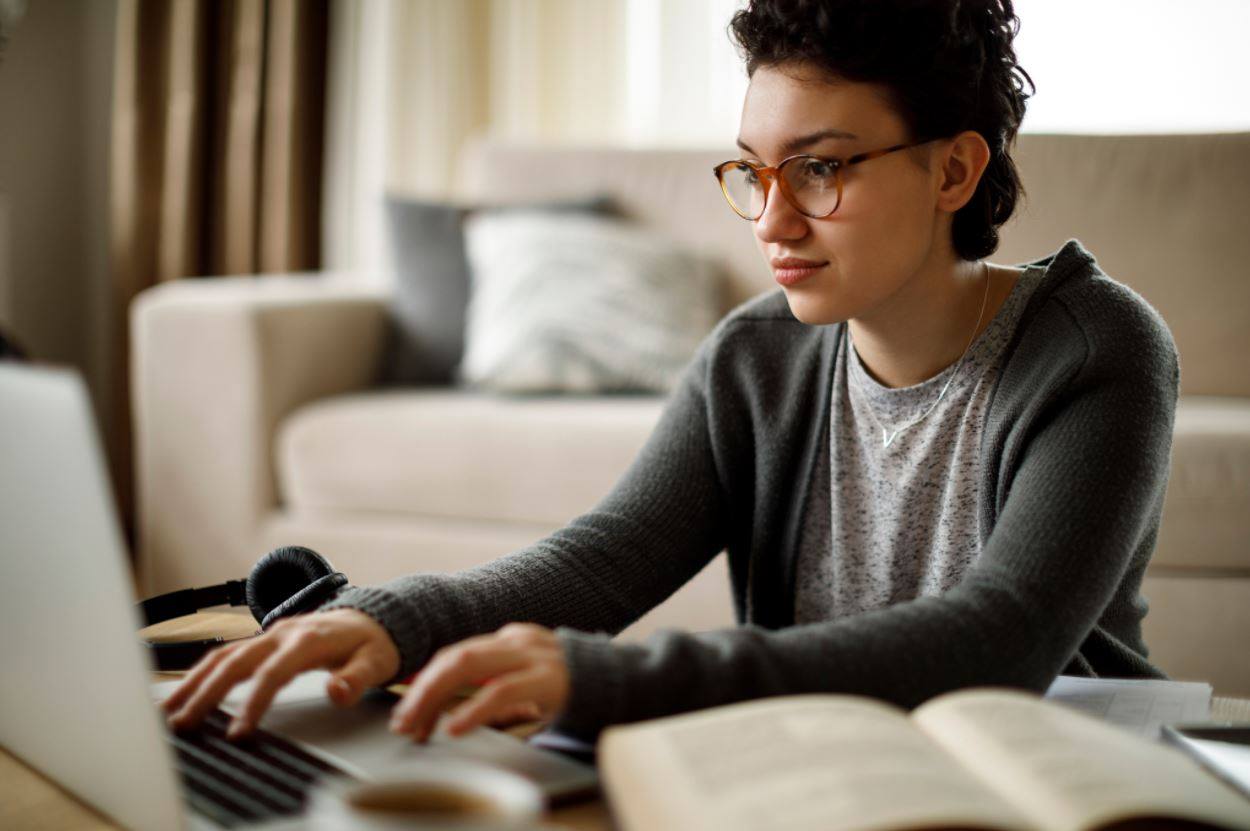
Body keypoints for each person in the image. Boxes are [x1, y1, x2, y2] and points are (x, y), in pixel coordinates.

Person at [163, 0, 1180, 745]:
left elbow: (997, 639)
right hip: (831, 768)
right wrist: (387, 620)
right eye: (754, 169)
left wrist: (599, 679)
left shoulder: (1097, 350)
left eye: (820, 168)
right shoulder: (755, 357)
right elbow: (602, 560)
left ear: (953, 170)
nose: (772, 221)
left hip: (1057, 778)